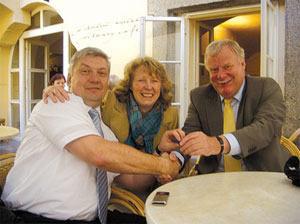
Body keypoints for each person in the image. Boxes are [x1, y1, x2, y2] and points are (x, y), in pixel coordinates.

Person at [1, 47, 181, 224]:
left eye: (102, 73)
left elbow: (133, 181)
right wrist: (162, 165)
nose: (94, 78)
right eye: (85, 71)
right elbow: (100, 154)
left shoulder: (105, 132)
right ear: (70, 78)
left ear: (108, 83)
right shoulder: (56, 103)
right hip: (35, 217)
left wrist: (159, 151)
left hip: (94, 218)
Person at [42, 56, 184, 196]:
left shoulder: (170, 113)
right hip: (116, 187)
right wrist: (58, 92)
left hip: (153, 186)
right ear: (130, 85)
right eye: (141, 80)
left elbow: (169, 152)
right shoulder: (111, 101)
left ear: (161, 85)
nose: (148, 87)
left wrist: (164, 158)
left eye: (154, 81)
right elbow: (87, 96)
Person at [177, 39, 290, 174]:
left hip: (263, 178)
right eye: (214, 69)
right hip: (214, 182)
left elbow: (265, 128)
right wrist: (174, 160)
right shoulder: (199, 96)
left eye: (227, 67)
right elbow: (189, 135)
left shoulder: (267, 87)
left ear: (242, 64)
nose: (220, 75)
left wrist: (217, 144)